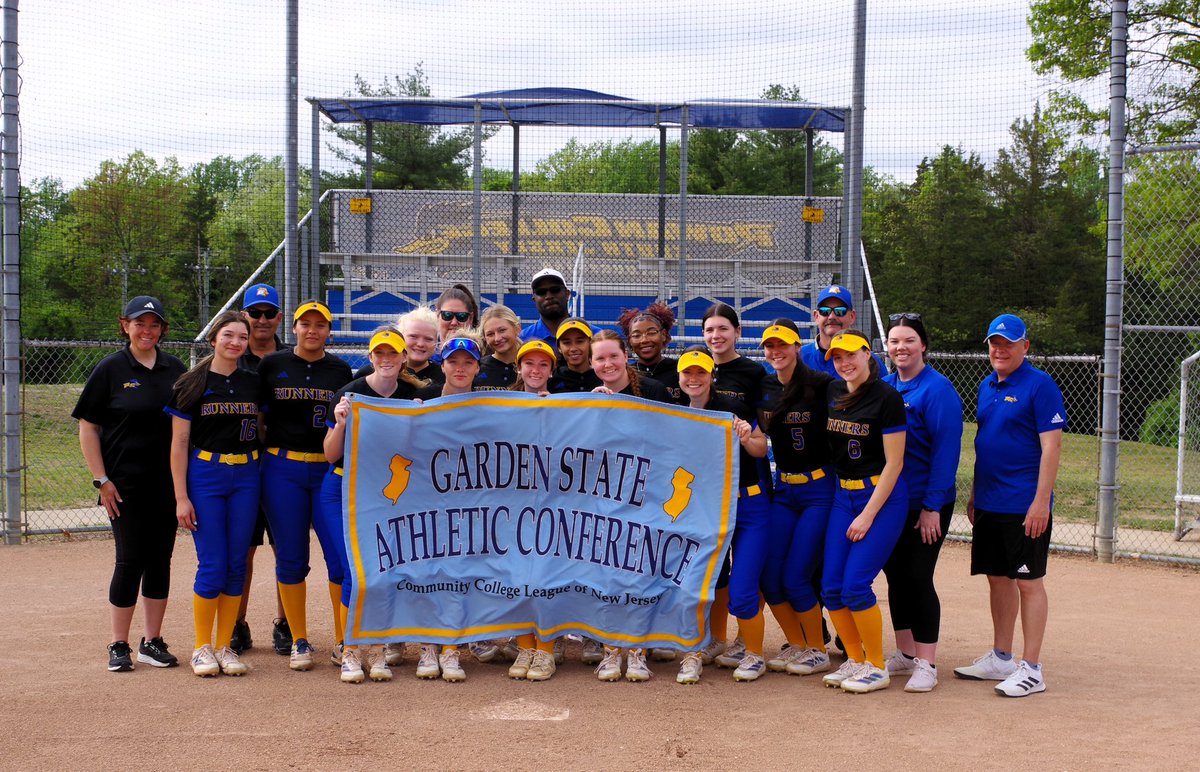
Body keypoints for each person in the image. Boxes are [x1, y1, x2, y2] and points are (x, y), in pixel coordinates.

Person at [73, 295, 187, 672]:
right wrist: (101, 479)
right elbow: (88, 426)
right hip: (123, 486)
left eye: (154, 324)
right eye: (140, 323)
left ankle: (151, 641)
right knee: (129, 560)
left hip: (166, 484)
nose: (147, 330)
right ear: (125, 326)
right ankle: (118, 644)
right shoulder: (111, 369)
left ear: (162, 330)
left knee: (161, 561)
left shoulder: (175, 368)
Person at [955, 313, 1065, 698]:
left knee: (1028, 582)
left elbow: (1052, 447)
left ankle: (1032, 668)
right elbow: (986, 444)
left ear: (1025, 347)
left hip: (1024, 504)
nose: (1000, 349)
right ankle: (1002, 657)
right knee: (997, 577)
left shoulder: (1040, 385)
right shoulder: (987, 385)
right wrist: (973, 494)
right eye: (994, 343)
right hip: (989, 501)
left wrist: (1040, 502)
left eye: (1008, 343)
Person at [321, 328, 425, 684]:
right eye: (379, 353)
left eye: (392, 354)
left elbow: (419, 451)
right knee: (355, 569)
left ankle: (377, 649)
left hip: (384, 492)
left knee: (381, 570)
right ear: (370, 358)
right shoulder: (350, 394)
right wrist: (340, 422)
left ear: (402, 359)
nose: (385, 359)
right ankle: (351, 650)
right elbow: (330, 454)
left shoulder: (412, 395)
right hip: (342, 488)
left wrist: (418, 421)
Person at [257, 300, 353, 671]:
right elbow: (260, 420)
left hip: (326, 472)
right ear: (294, 327)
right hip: (282, 468)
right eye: (306, 324)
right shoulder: (273, 365)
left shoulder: (339, 369)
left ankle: (345, 639)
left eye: (320, 325)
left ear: (329, 331)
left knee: (338, 559)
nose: (313, 330)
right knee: (292, 556)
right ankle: (298, 639)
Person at [167, 311, 261, 677]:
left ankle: (225, 646)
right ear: (213, 339)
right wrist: (181, 496)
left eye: (242, 336)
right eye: (228, 335)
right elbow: (178, 443)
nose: (235, 342)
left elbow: (262, 428)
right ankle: (201, 647)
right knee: (213, 563)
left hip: (247, 474)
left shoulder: (253, 383)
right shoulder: (192, 382)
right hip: (206, 473)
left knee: (237, 562)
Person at [672, 349, 770, 684]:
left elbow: (760, 448)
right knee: (705, 580)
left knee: (743, 590)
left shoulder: (732, 408)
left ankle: (754, 653)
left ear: (712, 376)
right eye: (688, 373)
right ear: (680, 377)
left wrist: (746, 437)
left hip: (748, 505)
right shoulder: (675, 414)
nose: (694, 379)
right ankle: (706, 645)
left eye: (701, 373)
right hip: (706, 507)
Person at [818, 331, 909, 694]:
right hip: (844, 495)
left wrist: (869, 514)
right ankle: (854, 659)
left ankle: (875, 664)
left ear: (867, 354)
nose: (844, 363)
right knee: (831, 587)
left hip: (881, 498)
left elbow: (895, 463)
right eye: (838, 357)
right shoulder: (833, 392)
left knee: (855, 585)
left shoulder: (886, 397)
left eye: (850, 355)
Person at [880, 313, 963, 693]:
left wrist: (932, 507)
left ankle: (927, 662)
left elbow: (946, 454)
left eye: (909, 340)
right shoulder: (885, 387)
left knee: (917, 577)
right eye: (895, 341)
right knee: (895, 576)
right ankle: (905, 652)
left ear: (923, 345)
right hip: (893, 502)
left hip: (926, 503)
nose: (901, 347)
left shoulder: (938, 390)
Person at [588, 330, 673, 681]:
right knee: (607, 574)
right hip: (604, 497)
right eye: (600, 359)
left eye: (613, 356)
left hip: (645, 495)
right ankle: (610, 650)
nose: (607, 364)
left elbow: (673, 437)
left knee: (640, 574)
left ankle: (637, 650)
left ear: (625, 356)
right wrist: (593, 410)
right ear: (592, 364)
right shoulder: (589, 399)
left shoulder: (651, 391)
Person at [755, 323, 839, 679]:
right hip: (784, 489)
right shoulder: (766, 386)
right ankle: (798, 643)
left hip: (819, 490)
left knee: (795, 576)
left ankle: (817, 650)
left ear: (797, 347)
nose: (776, 352)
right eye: (769, 346)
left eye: (783, 345)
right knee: (770, 577)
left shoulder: (820, 384)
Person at [411, 331, 486, 681]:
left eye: (467, 362)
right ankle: (428, 645)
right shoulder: (422, 401)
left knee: (459, 573)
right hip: (428, 500)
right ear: (442, 365)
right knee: (428, 571)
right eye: (453, 361)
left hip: (468, 503)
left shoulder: (488, 407)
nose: (460, 368)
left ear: (477, 367)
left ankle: (452, 648)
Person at [699, 303, 766, 665]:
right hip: (710, 488)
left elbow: (763, 429)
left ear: (737, 332)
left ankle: (747, 640)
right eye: (709, 330)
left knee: (746, 568)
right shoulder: (695, 370)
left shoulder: (753, 372)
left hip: (748, 482)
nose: (716, 336)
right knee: (716, 568)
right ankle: (716, 637)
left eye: (723, 328)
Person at [233, 282, 289, 657]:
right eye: (256, 313)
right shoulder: (232, 357)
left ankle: (285, 624)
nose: (263, 320)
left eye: (269, 313)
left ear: (279, 317)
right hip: (244, 468)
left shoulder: (291, 356)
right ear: (245, 316)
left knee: (286, 549)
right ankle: (238, 623)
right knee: (244, 549)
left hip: (283, 467)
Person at [504, 339, 564, 682]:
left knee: (546, 575)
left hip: (553, 501)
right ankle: (526, 644)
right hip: (514, 501)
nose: (535, 370)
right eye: (529, 364)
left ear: (551, 371)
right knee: (518, 575)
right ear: (519, 368)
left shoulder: (566, 406)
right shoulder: (503, 403)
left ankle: (546, 649)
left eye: (543, 365)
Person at [800, 285, 884, 378]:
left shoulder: (869, 360)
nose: (832, 316)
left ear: (852, 316)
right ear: (816, 316)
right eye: (825, 311)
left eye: (840, 311)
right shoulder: (799, 357)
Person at [618, 303, 680, 401]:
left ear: (663, 334)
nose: (644, 340)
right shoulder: (623, 374)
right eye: (636, 335)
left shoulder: (680, 371)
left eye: (651, 333)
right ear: (629, 340)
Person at [547, 318, 602, 394]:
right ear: (559, 348)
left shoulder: (603, 376)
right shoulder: (552, 380)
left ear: (590, 343)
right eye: (567, 343)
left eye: (580, 342)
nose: (573, 348)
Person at [520, 268, 572, 346]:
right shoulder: (522, 339)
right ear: (534, 299)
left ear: (567, 294)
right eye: (541, 292)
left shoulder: (591, 334)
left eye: (555, 289)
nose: (549, 296)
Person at [475, 305, 522, 391]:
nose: (497, 338)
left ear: (517, 329)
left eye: (502, 330)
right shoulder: (477, 367)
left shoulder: (531, 366)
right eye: (490, 334)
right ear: (484, 337)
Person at [398, 306, 444, 386]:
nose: (420, 344)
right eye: (413, 336)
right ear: (400, 337)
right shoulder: (385, 373)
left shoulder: (445, 377)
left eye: (428, 339)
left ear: (436, 342)